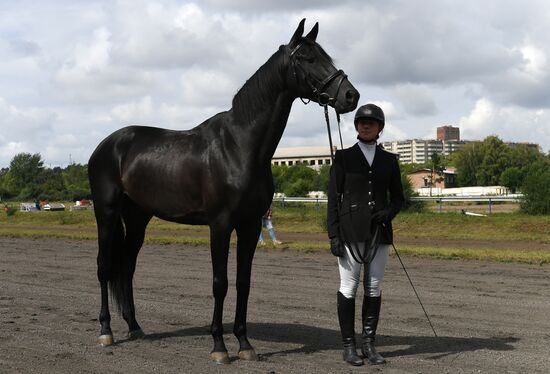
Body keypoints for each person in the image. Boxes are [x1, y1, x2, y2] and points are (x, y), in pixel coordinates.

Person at [327, 103, 404, 366]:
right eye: (361, 122)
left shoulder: (390, 160)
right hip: (350, 232)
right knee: (348, 287)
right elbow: (333, 200)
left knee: (373, 287)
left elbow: (399, 199)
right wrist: (333, 235)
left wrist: (389, 213)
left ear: (379, 127)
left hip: (379, 233)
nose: (365, 125)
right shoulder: (343, 158)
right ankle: (349, 346)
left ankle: (369, 344)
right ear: (357, 126)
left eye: (371, 122)